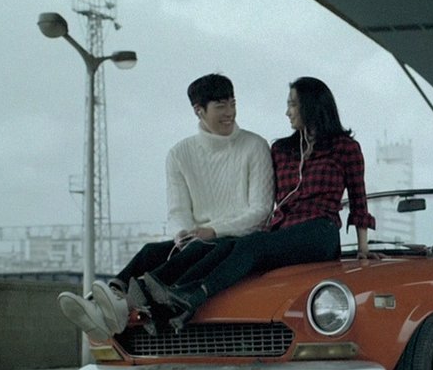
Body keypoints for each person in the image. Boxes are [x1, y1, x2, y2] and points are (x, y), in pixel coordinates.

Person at [143, 76, 376, 332]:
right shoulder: (282, 150)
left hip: (320, 230)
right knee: (226, 245)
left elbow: (358, 198)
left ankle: (194, 294)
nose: (287, 112)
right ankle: (170, 298)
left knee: (252, 244)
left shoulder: (345, 148)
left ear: (311, 106)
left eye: (293, 105)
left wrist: (363, 248)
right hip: (282, 233)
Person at [57, 73, 274, 341]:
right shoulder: (179, 154)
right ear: (199, 110)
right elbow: (178, 209)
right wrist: (182, 233)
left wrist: (212, 230)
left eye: (233, 103)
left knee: (192, 252)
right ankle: (106, 303)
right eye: (221, 106)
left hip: (236, 241)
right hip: (198, 241)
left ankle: (115, 309)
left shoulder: (255, 146)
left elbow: (261, 210)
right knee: (152, 251)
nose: (230, 112)